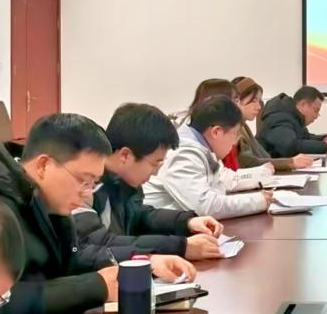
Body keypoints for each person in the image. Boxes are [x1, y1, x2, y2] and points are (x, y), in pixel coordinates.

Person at [0, 113, 196, 314]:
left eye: (93, 183)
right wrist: (95, 286)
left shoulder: (47, 201)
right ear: (43, 165)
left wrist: (142, 264)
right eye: (83, 180)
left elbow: (72, 259)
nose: (87, 193)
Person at [74, 103, 225, 262]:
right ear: (125, 155)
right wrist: (180, 246)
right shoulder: (86, 185)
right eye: (154, 164)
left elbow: (140, 216)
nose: (156, 172)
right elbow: (100, 242)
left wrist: (186, 222)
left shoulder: (124, 181)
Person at [144, 96, 274, 219]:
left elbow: (220, 186)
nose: (235, 143)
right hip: (155, 230)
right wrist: (258, 201)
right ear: (216, 132)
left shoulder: (203, 148)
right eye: (234, 134)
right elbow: (205, 207)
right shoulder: (183, 154)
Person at [232, 76, 313, 172]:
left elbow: (264, 157)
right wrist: (290, 162)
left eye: (259, 101)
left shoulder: (243, 126)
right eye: (253, 101)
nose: (258, 107)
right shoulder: (233, 129)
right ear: (236, 101)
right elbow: (249, 163)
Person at [257, 86, 327, 157]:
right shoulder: (280, 117)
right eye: (316, 110)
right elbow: (290, 147)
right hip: (268, 169)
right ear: (303, 104)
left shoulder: (293, 116)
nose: (317, 116)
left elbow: (305, 137)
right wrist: (324, 146)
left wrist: (322, 138)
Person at [177, 79, 242, 170]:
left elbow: (223, 174)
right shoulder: (187, 155)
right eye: (235, 100)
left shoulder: (205, 141)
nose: (239, 105)